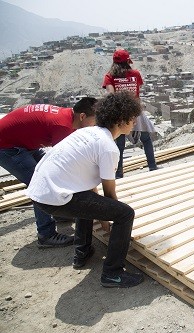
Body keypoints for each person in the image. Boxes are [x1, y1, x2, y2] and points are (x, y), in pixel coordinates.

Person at [26, 91, 144, 288]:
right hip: (55, 197)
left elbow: (90, 189)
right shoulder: (108, 147)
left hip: (40, 193)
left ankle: (82, 252)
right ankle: (113, 274)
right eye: (132, 119)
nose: (134, 123)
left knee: (86, 201)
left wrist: (102, 215)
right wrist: (107, 221)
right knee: (125, 213)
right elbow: (109, 193)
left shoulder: (86, 133)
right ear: (121, 121)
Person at [0, 97, 97, 247]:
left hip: (23, 143)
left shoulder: (68, 117)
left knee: (51, 176)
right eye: (94, 121)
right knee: (41, 184)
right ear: (82, 116)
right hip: (7, 147)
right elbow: (68, 165)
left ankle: (59, 214)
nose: (94, 126)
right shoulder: (63, 126)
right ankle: (46, 235)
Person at [102, 49, 158, 178]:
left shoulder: (109, 76)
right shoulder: (136, 74)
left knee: (119, 144)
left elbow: (110, 95)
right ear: (128, 61)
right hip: (136, 111)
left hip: (120, 114)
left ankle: (119, 174)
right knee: (146, 139)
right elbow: (137, 90)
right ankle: (153, 167)